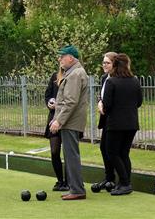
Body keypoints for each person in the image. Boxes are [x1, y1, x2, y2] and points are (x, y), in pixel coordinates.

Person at [50, 45, 88, 200]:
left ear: (71, 58)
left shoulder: (75, 74)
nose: (59, 59)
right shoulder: (73, 72)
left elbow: (71, 102)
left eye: (62, 56)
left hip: (70, 122)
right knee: (70, 155)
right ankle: (75, 188)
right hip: (70, 121)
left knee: (71, 156)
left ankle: (77, 189)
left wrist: (58, 120)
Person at [101, 53, 142, 195]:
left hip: (115, 124)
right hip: (131, 123)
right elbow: (139, 102)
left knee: (112, 152)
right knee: (124, 153)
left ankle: (125, 183)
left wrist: (101, 106)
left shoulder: (112, 82)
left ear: (116, 65)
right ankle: (124, 183)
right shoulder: (135, 81)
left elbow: (107, 105)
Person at [91, 52, 118, 193]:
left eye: (107, 63)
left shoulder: (118, 79)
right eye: (103, 62)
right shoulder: (104, 78)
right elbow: (102, 96)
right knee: (104, 147)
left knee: (113, 150)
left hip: (116, 119)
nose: (104, 65)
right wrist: (100, 102)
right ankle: (109, 178)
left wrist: (105, 104)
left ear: (114, 64)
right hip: (106, 118)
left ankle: (119, 180)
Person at [44, 68, 69, 191]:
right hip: (53, 117)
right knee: (54, 151)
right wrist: (49, 102)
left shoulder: (73, 76)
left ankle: (69, 182)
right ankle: (60, 180)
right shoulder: (55, 76)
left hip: (68, 119)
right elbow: (48, 94)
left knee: (69, 152)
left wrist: (59, 105)